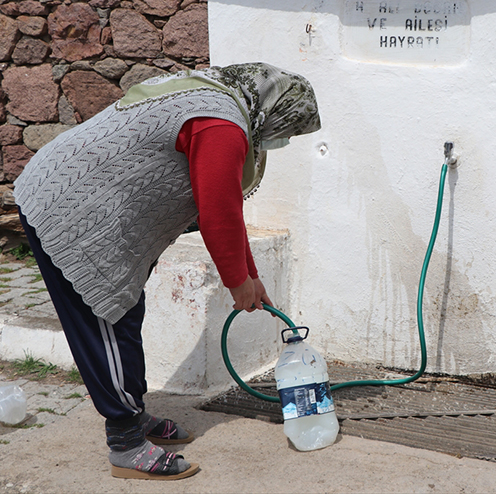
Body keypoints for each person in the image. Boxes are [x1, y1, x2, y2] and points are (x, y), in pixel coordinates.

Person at [13, 63, 321, 480]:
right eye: (287, 128)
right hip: (69, 212)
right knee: (105, 324)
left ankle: (134, 416)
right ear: (273, 111)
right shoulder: (221, 125)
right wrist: (237, 282)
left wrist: (251, 276)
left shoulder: (215, 99)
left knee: (124, 314)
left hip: (101, 216)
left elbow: (227, 205)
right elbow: (216, 216)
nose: (280, 138)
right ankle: (125, 443)